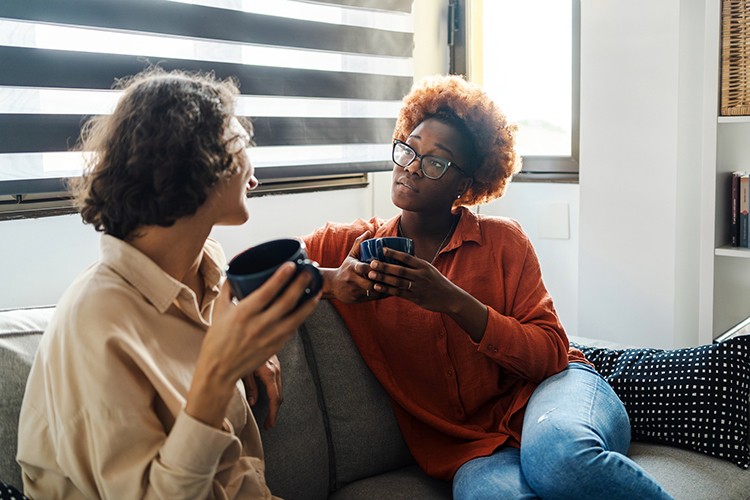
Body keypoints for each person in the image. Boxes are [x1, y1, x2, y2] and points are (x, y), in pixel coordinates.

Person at [302, 75, 673, 499]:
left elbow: (550, 353)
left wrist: (454, 302)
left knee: (558, 460)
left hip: (554, 395)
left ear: (465, 184)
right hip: (472, 450)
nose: (410, 168)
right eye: (409, 149)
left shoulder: (503, 241)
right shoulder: (351, 246)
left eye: (435, 162)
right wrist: (330, 280)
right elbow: (254, 269)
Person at [16, 68, 320, 499]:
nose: (252, 170)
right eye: (241, 146)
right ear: (197, 165)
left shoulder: (207, 267)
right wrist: (218, 374)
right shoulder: (95, 321)